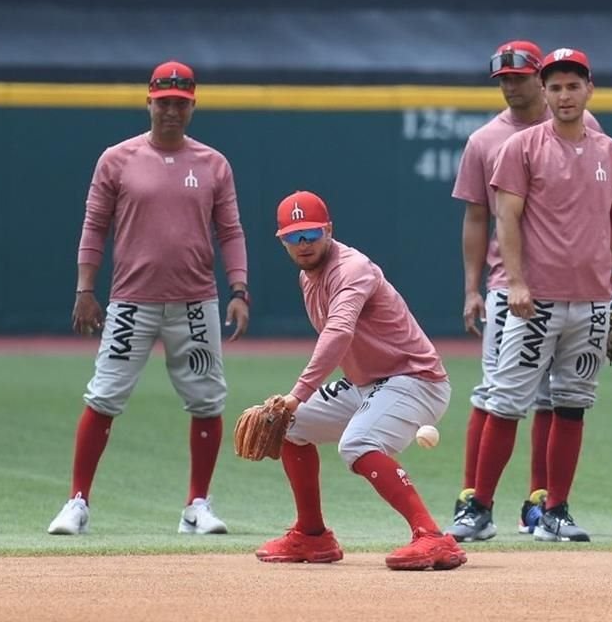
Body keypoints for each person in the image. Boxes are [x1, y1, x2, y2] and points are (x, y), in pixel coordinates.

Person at [448, 48, 612, 543]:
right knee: (506, 403)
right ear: (546, 91)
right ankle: (478, 508)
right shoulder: (518, 149)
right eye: (556, 86)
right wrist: (515, 281)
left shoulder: (610, 151)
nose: (564, 94)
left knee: (571, 404)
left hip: (592, 301)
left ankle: (555, 510)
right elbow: (506, 217)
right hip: (535, 301)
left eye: (573, 85)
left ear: (589, 89)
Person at [47, 60, 250, 535]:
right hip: (131, 301)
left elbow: (231, 231)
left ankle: (197, 505)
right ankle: (77, 501)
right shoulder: (116, 160)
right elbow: (95, 226)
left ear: (193, 106)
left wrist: (239, 288)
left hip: (196, 301)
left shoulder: (213, 164)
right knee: (103, 396)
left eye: (180, 104)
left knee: (206, 400)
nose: (172, 112)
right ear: (149, 103)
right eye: (164, 103)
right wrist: (85, 288)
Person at [253, 190, 466, 571]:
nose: (303, 244)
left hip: (416, 380)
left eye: (311, 234)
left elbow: (338, 334)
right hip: (370, 383)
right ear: (281, 241)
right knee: (289, 425)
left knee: (358, 442)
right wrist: (295, 405)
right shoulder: (309, 276)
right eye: (292, 237)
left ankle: (433, 537)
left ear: (329, 230)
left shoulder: (352, 269)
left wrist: (298, 393)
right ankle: (312, 536)